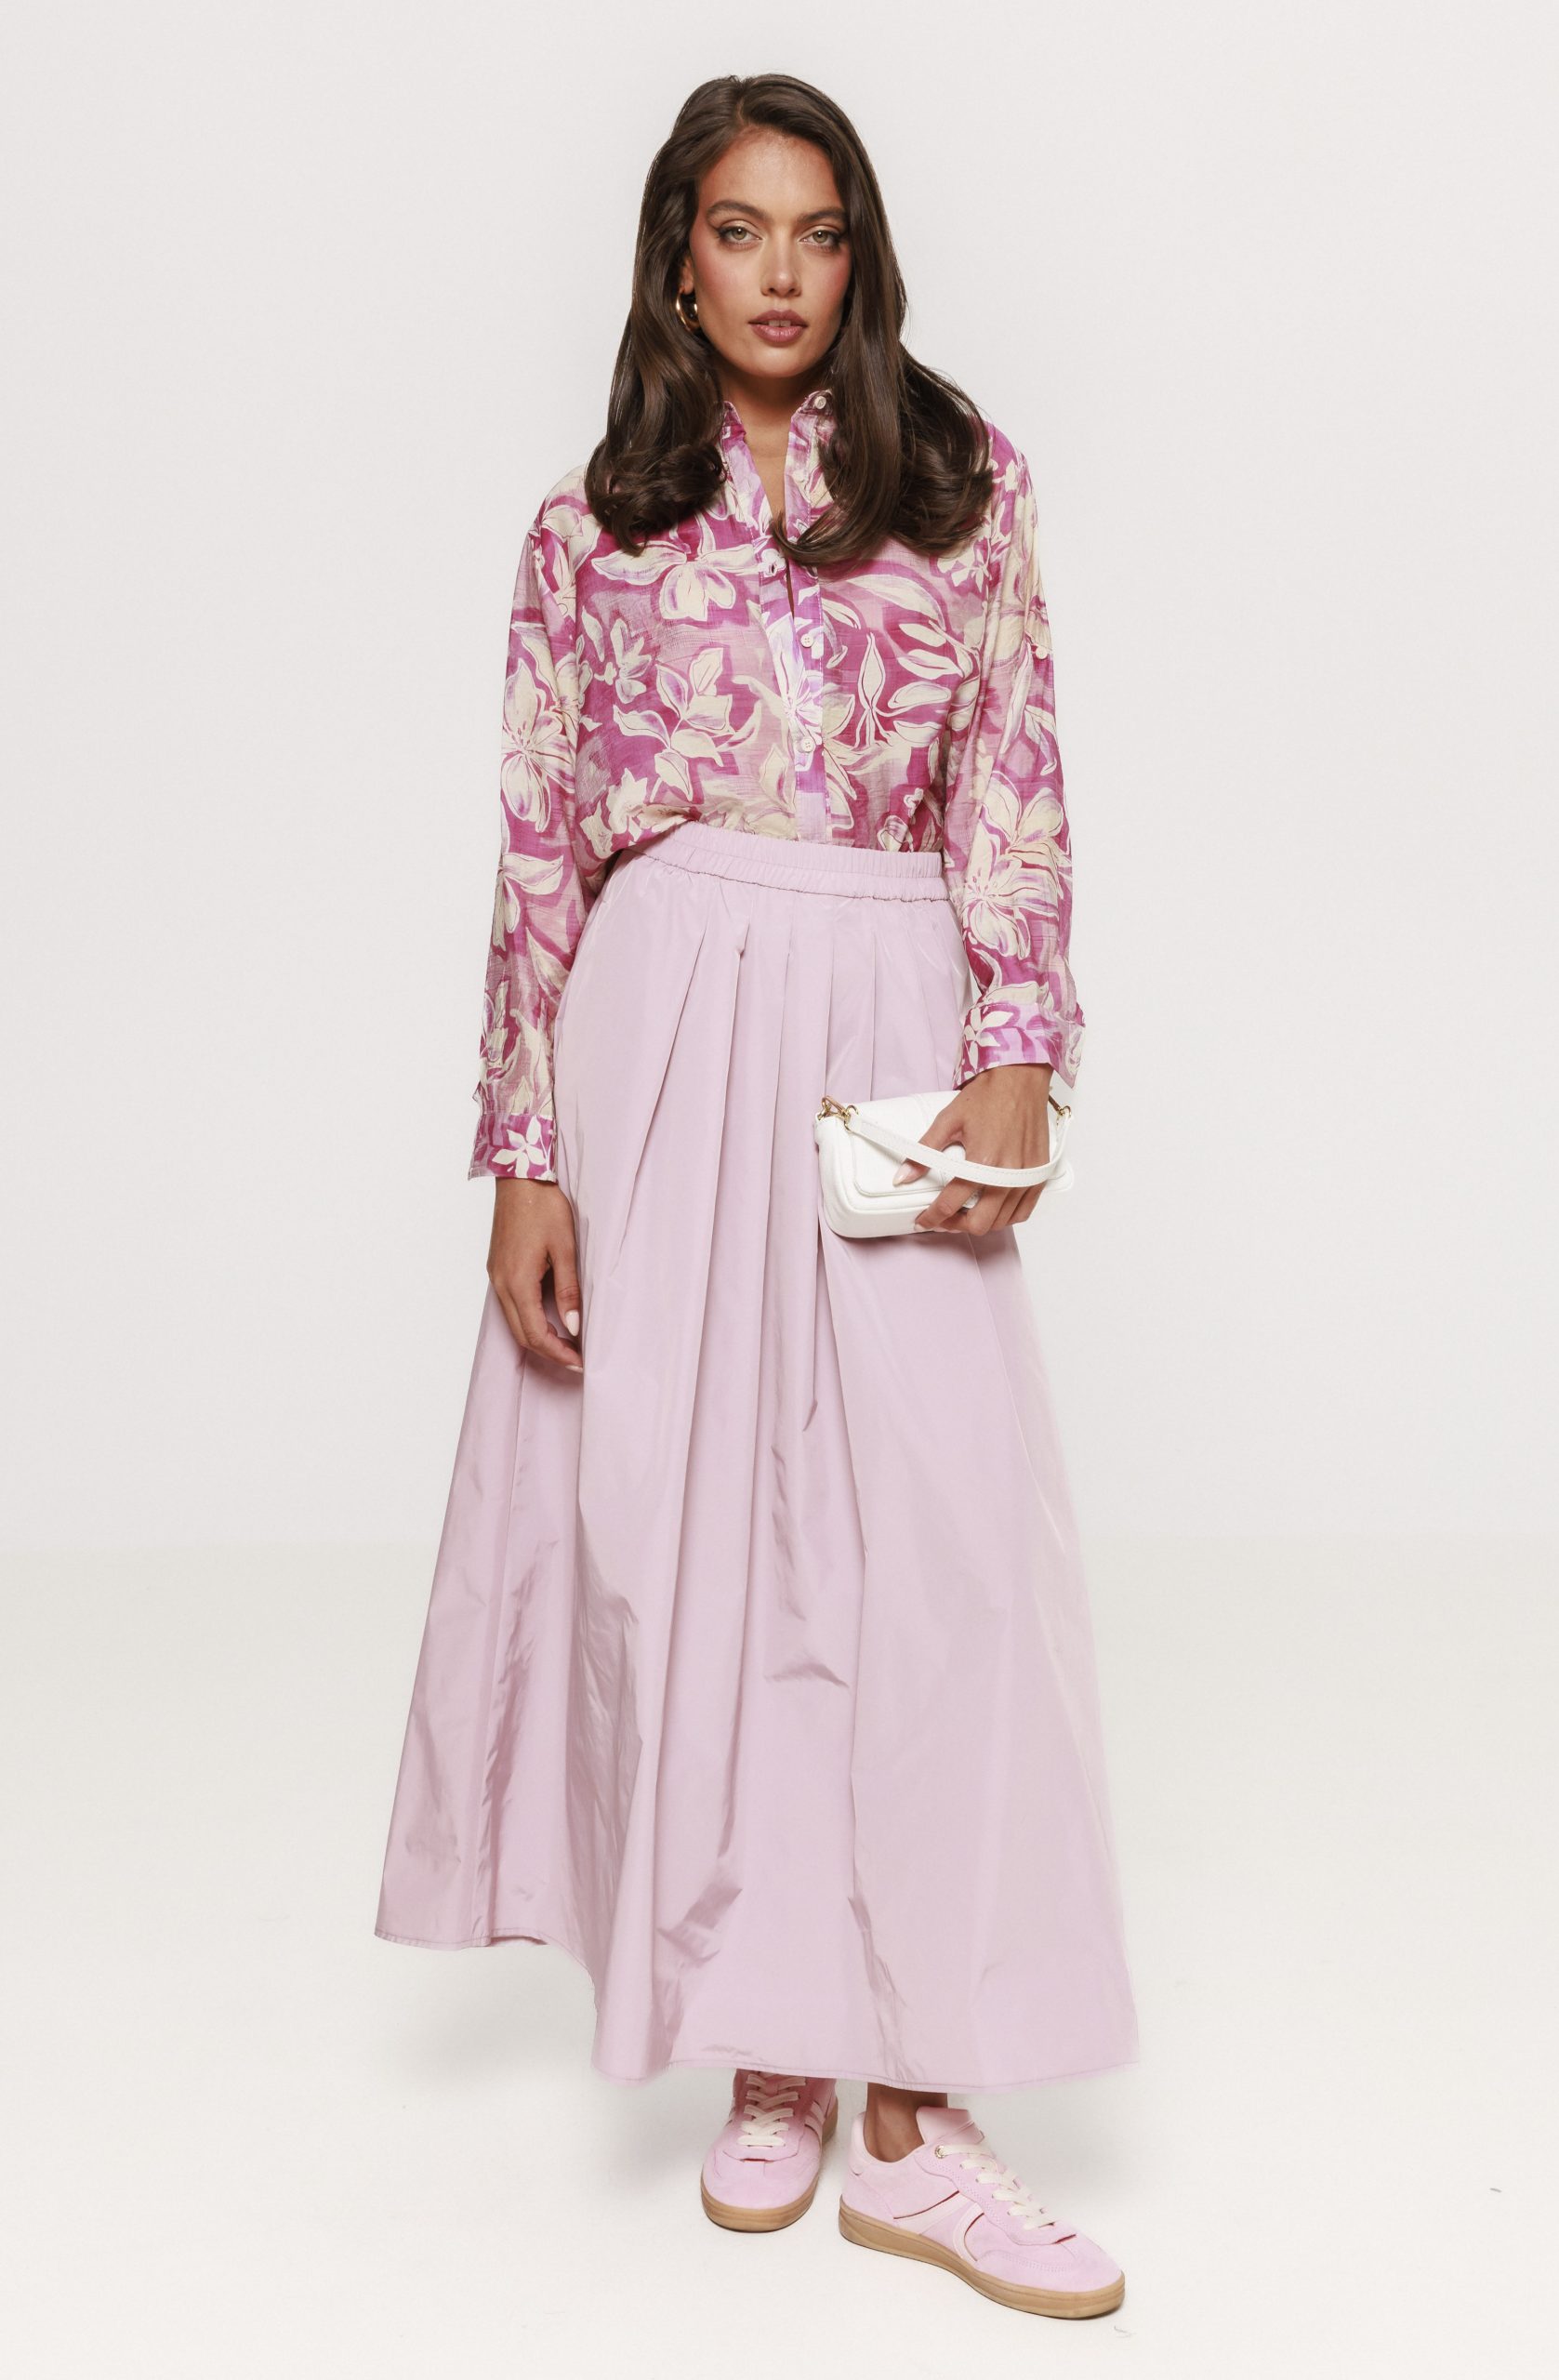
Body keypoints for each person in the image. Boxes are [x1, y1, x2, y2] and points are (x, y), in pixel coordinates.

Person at [375, 71, 1140, 2322]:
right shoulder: (588, 526)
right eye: (737, 230)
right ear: (676, 260)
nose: (780, 272)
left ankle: (916, 2112)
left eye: (816, 231)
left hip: (893, 1001)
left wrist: (1017, 1044)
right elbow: (537, 846)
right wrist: (523, 1152)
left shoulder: (962, 486)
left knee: (929, 1542)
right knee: (697, 1542)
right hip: (663, 1023)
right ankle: (773, 2030)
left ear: (859, 255)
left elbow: (1011, 776)